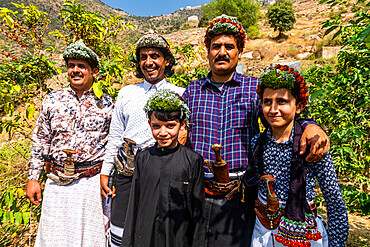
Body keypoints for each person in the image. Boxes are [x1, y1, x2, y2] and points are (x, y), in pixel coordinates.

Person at [182, 14, 330, 247]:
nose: (222, 52)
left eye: (229, 47)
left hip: (238, 197)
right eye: (215, 46)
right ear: (207, 51)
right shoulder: (192, 90)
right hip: (197, 194)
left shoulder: (254, 89)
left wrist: (310, 125)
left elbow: (281, 119)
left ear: (239, 52)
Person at [245, 64, 349, 246]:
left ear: (299, 106)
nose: (273, 109)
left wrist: (337, 243)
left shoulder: (312, 145)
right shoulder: (257, 143)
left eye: (282, 101)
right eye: (267, 101)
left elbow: (334, 200)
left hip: (303, 234)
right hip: (263, 233)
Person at [100, 31, 185, 247]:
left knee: (157, 231)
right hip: (127, 173)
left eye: (155, 56)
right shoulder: (127, 93)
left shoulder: (180, 93)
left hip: (163, 172)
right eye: (143, 57)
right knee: (121, 230)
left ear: (166, 60)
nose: (149, 62)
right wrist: (105, 171)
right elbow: (116, 136)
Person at [26, 39, 114, 246]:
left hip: (91, 185)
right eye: (71, 66)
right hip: (58, 183)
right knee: (54, 239)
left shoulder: (108, 104)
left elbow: (113, 144)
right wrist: (33, 178)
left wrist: (110, 178)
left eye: (81, 66)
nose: (75, 70)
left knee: (90, 240)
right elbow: (41, 139)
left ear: (94, 71)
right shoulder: (52, 100)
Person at [121, 89, 205, 247]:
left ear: (183, 124)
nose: (163, 132)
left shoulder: (193, 160)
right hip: (146, 236)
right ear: (149, 124)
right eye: (157, 126)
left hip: (178, 237)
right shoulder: (143, 158)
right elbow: (134, 205)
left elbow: (198, 212)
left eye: (170, 126)